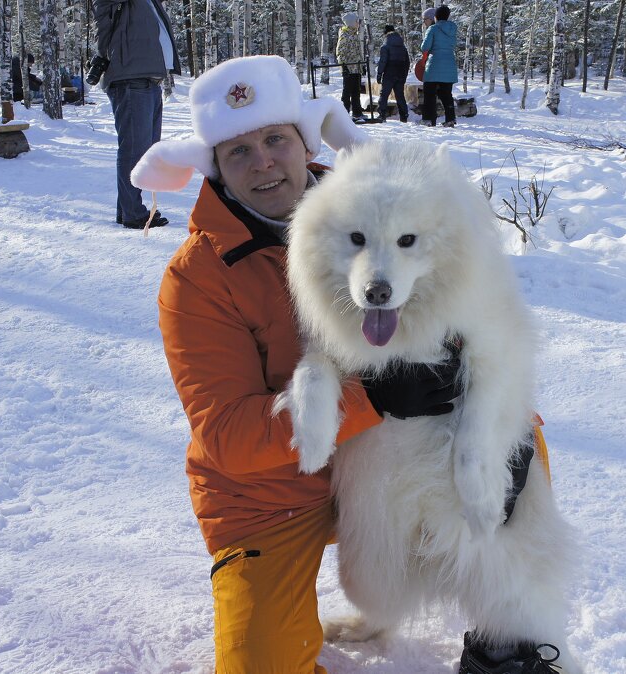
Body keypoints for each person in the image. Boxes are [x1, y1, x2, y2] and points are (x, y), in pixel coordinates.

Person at [129, 55, 465, 673]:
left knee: (511, 428)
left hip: (381, 464)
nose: (262, 162)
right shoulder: (196, 278)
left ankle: (511, 640)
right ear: (217, 169)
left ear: (303, 142)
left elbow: (468, 306)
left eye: (275, 140)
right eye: (238, 151)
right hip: (267, 497)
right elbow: (226, 434)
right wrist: (376, 398)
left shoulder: (377, 211)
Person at [93, 0, 181, 229]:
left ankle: (128, 210)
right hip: (130, 77)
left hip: (149, 78)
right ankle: (133, 212)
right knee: (134, 149)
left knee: (145, 148)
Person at [420, 5, 458, 127]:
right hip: (450, 65)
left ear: (435, 17)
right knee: (447, 95)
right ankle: (450, 119)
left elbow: (425, 47)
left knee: (429, 93)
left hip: (434, 65)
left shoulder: (433, 29)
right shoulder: (453, 29)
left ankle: (428, 119)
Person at [376, 24, 410, 122]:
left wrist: (379, 74)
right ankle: (404, 115)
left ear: (385, 34)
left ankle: (382, 114)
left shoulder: (385, 46)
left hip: (389, 73)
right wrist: (405, 74)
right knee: (400, 94)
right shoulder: (403, 47)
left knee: (384, 94)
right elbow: (407, 62)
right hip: (401, 72)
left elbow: (383, 61)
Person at [335, 11, 365, 121]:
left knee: (356, 91)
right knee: (347, 91)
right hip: (349, 68)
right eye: (357, 22)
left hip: (356, 68)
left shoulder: (354, 34)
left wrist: (361, 65)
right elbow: (340, 53)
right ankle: (344, 113)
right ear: (351, 23)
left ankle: (357, 112)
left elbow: (357, 52)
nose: (358, 24)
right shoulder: (345, 36)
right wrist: (344, 67)